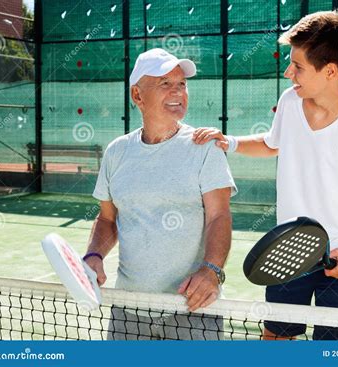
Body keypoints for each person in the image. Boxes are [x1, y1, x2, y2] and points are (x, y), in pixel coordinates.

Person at [193, 10, 338, 340]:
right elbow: (272, 143)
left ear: (331, 71)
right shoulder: (291, 101)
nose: (287, 72)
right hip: (287, 251)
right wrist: (230, 142)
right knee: (276, 340)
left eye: (298, 67)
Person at [83, 48, 237, 340]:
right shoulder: (116, 152)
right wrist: (94, 255)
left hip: (194, 310)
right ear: (138, 96)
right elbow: (107, 219)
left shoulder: (205, 147)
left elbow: (219, 216)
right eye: (165, 84)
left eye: (182, 84)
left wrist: (211, 270)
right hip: (129, 310)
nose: (177, 92)